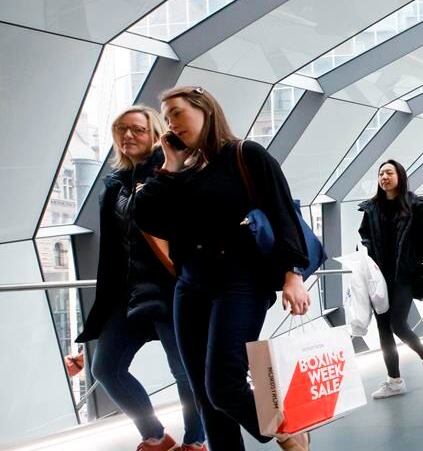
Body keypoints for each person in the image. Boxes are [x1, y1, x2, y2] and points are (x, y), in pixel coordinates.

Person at [134, 86, 311, 451]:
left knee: (223, 386)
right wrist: (169, 168)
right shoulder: (180, 168)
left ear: (205, 109)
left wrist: (292, 273)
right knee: (205, 396)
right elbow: (146, 218)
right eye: (166, 119)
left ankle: (287, 429)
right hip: (190, 285)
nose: (171, 124)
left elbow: (282, 212)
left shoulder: (245, 154)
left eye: (177, 113)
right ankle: (277, 430)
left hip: (240, 281)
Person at [73, 106, 205, 451]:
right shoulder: (114, 184)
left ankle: (196, 441)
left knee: (184, 371)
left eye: (137, 129)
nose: (127, 135)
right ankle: (156, 435)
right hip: (128, 293)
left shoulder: (173, 172)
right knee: (106, 367)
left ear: (155, 133)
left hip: (171, 289)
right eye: (121, 129)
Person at [358, 160, 423, 399]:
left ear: (400, 176)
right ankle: (394, 381)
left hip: (405, 275)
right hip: (378, 277)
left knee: (398, 324)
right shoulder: (372, 208)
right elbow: (365, 237)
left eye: (389, 172)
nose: (384, 177)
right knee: (383, 328)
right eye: (381, 173)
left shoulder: (416, 207)